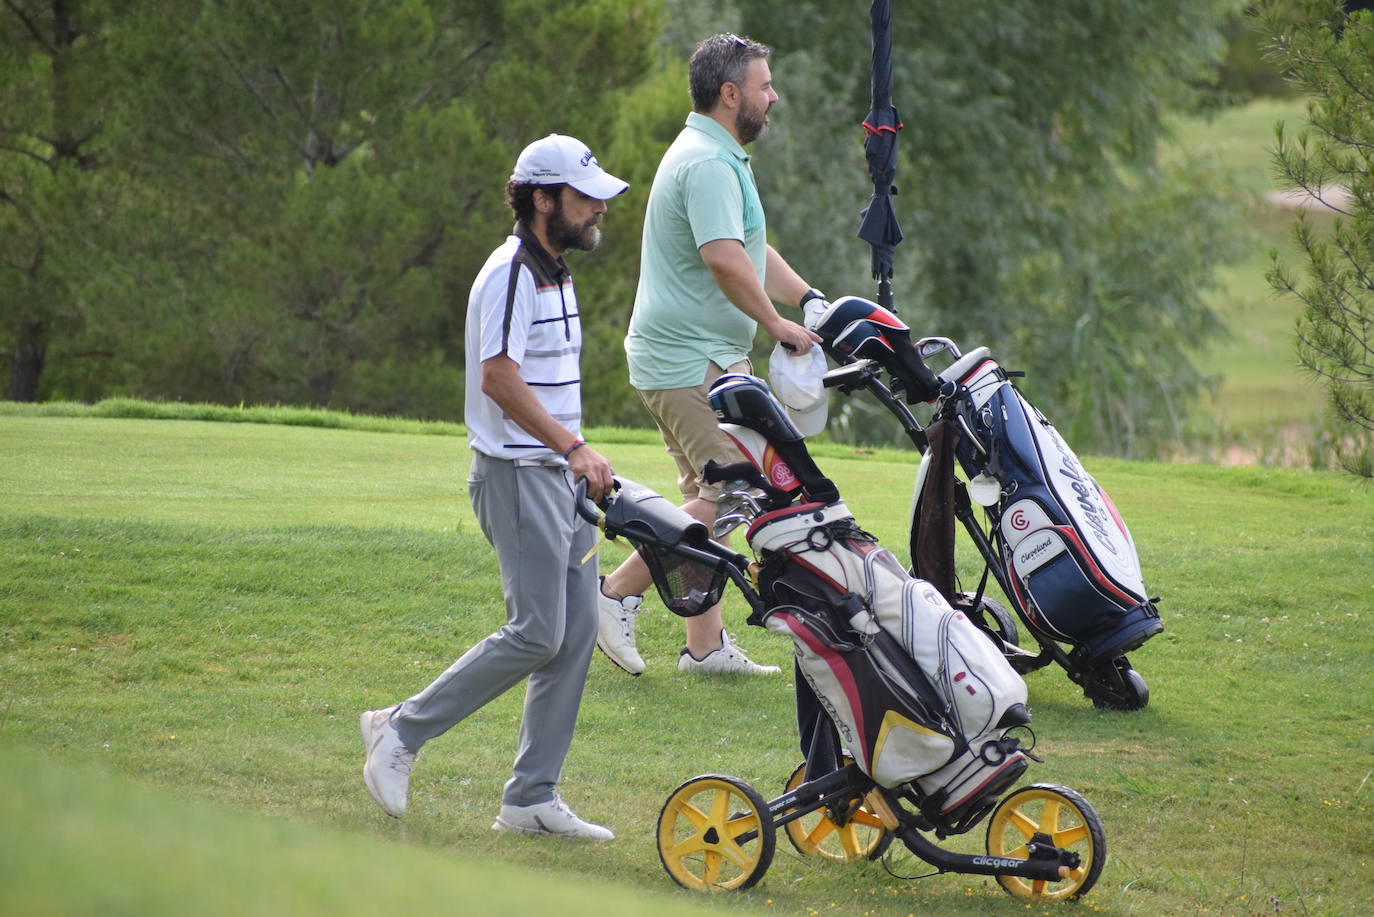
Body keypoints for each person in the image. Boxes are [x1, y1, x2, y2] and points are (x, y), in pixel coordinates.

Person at [361, 134, 626, 841]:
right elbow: (499, 378)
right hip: (517, 473)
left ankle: (531, 797)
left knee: (572, 634)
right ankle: (399, 729)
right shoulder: (511, 272)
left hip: (557, 475)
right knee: (538, 629)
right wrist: (573, 445)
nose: (597, 208)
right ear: (543, 199)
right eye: (583, 196)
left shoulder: (557, 269)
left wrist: (574, 454)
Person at [596, 33, 827, 677]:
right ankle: (612, 594)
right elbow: (722, 260)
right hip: (687, 360)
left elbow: (748, 248)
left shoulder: (717, 156)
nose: (772, 95)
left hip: (696, 357)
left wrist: (809, 299)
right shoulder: (706, 163)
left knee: (709, 491)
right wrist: (778, 325)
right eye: (763, 85)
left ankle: (704, 647)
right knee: (731, 495)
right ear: (731, 95)